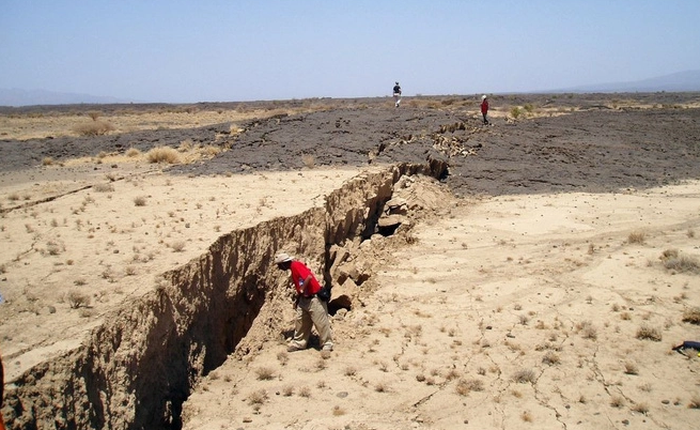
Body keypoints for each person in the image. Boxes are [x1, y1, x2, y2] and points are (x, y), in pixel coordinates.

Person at [275, 252, 333, 352]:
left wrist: (302, 288)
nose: (279, 268)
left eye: (279, 265)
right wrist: (298, 298)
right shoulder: (293, 268)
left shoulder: (296, 265)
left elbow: (308, 277)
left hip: (314, 299)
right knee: (300, 321)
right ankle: (299, 343)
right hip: (304, 299)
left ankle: (327, 343)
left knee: (321, 322)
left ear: (284, 263)